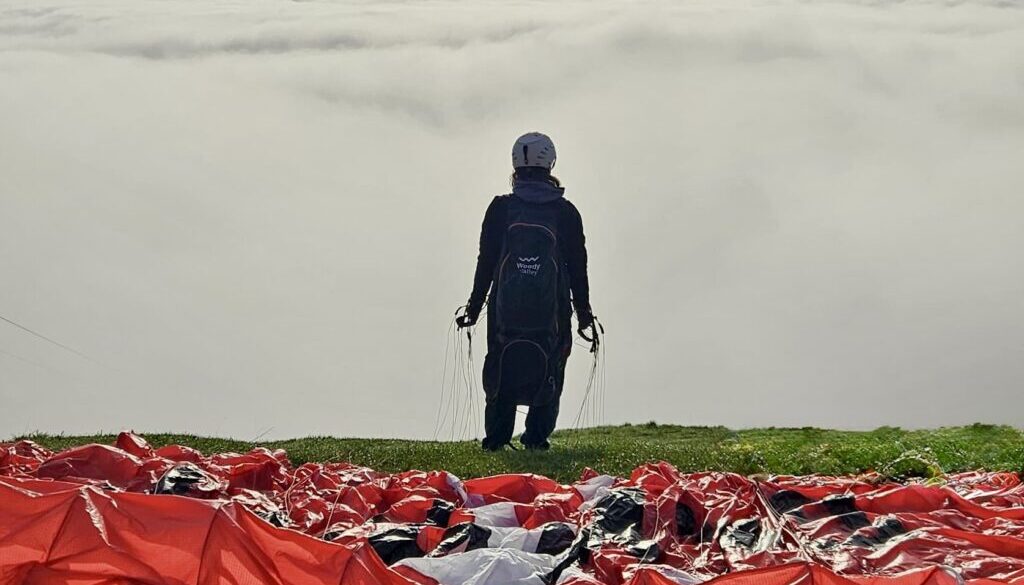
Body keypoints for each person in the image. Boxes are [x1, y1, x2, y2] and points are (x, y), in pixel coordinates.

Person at [456, 132, 597, 451]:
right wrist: (584, 312)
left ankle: (496, 438)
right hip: (552, 309)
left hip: (505, 309)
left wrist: (474, 306)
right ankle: (536, 437)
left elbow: (487, 261)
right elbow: (578, 265)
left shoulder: (500, 208)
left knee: (501, 361)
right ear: (550, 163)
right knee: (552, 362)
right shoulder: (566, 212)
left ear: (515, 164)